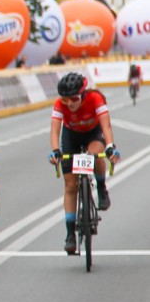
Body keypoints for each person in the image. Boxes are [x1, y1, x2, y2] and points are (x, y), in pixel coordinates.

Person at [48, 72, 120, 253]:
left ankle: (102, 188)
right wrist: (56, 151)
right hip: (71, 135)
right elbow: (55, 131)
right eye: (65, 100)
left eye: (73, 99)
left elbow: (106, 125)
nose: (69, 103)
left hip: (93, 133)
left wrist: (110, 146)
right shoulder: (59, 105)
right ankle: (70, 233)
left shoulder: (95, 99)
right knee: (71, 185)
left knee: (95, 154)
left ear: (83, 94)